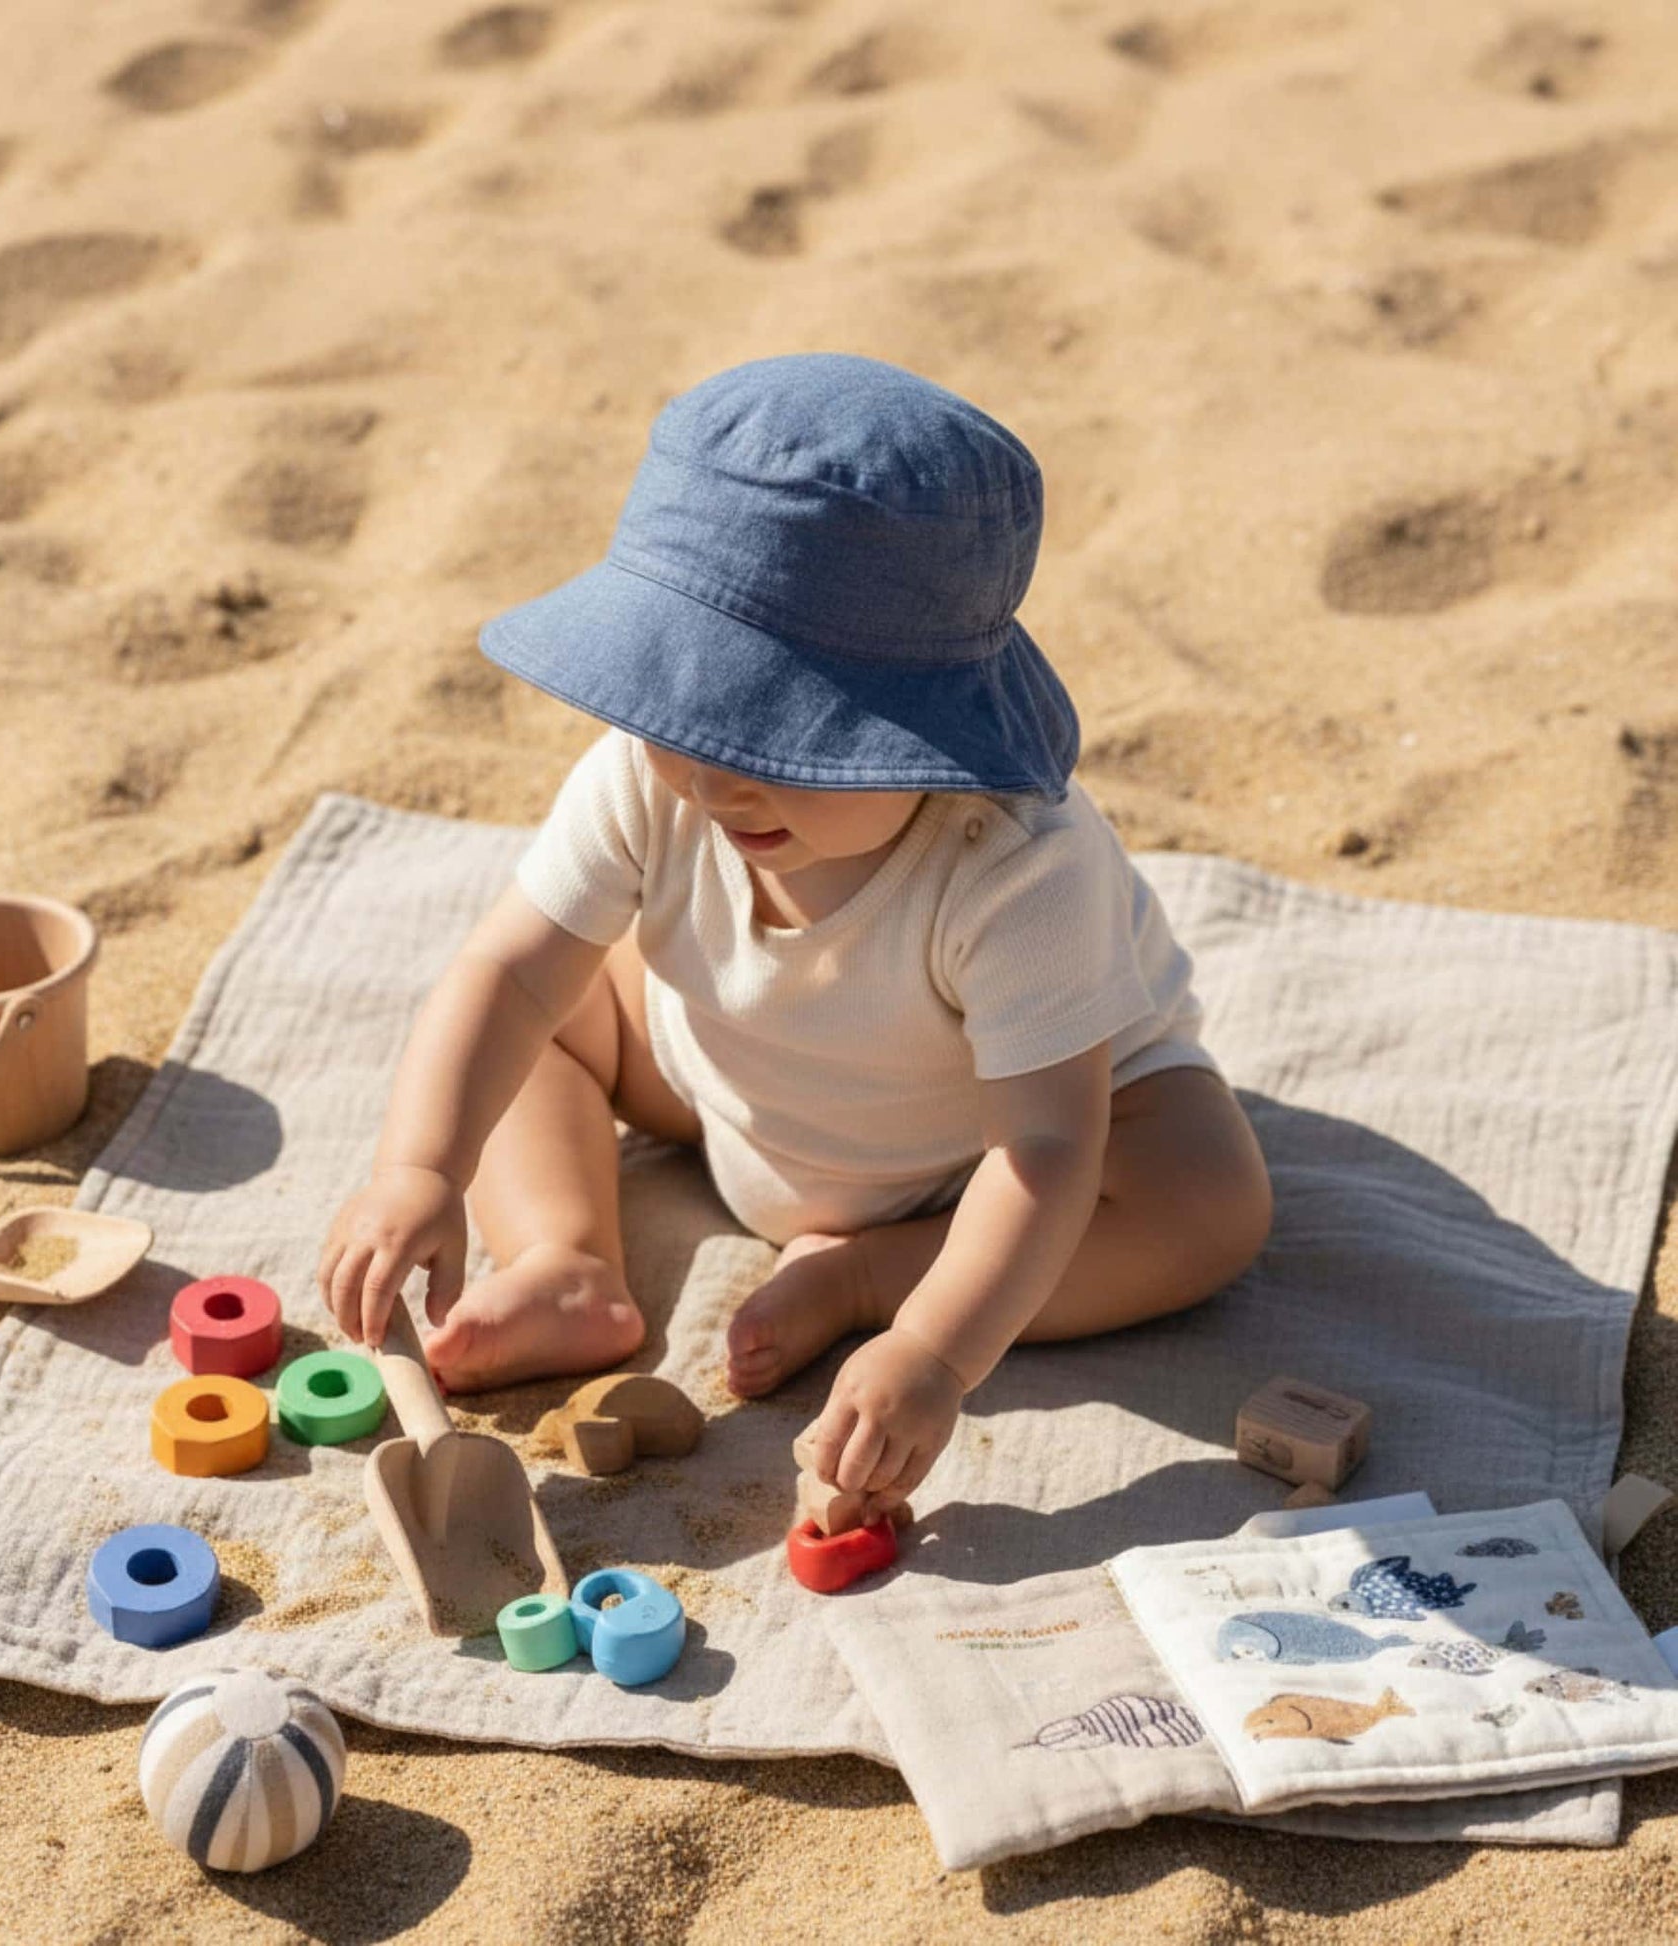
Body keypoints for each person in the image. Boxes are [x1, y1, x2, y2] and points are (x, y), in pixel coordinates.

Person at [317, 353, 1272, 1511]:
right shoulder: (646, 777)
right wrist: (420, 1168)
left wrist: (932, 1347)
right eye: (685, 717)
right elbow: (507, 971)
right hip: (724, 1071)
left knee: (1208, 1199)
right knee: (551, 1015)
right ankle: (562, 1255)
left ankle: (868, 1273)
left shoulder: (1017, 867)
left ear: (919, 731)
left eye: (774, 740)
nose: (717, 783)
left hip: (973, 1141)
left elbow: (1046, 1152)